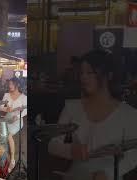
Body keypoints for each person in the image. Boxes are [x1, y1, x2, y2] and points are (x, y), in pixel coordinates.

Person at [48, 50, 137, 180]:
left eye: (90, 72)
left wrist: (108, 173)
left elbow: (133, 154)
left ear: (109, 75)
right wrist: (71, 151)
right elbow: (53, 144)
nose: (83, 77)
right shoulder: (72, 108)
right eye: (81, 73)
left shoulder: (128, 114)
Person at [0, 78, 27, 173]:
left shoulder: (23, 97)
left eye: (11, 84)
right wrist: (6, 109)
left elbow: (25, 110)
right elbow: (0, 106)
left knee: (8, 135)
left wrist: (18, 116)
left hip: (17, 120)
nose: (9, 86)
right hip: (7, 118)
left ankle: (12, 160)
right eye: (9, 84)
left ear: (17, 85)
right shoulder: (6, 95)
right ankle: (1, 156)